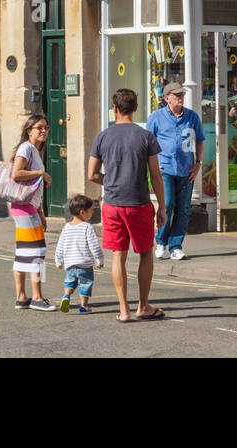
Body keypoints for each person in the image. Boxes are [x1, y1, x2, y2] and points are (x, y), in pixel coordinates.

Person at [87, 88, 167, 322]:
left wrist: (110, 181)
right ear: (135, 108)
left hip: (112, 204)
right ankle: (143, 305)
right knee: (145, 254)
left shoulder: (102, 136)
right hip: (139, 203)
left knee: (117, 256)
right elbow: (156, 175)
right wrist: (162, 206)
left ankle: (124, 311)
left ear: (114, 109)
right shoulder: (145, 136)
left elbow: (92, 174)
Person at [145, 81, 204, 261]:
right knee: (168, 204)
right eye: (176, 95)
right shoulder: (156, 117)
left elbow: (200, 140)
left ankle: (176, 246)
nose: (180, 98)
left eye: (182, 95)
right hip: (165, 168)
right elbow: (148, 142)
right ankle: (161, 241)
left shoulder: (192, 117)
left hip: (186, 170)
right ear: (166, 98)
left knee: (183, 208)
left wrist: (198, 163)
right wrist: (153, 164)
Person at [9, 113, 53, 311]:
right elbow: (16, 174)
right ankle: (37, 298)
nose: (44, 131)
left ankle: (21, 297)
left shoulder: (34, 150)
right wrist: (41, 173)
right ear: (29, 131)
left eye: (46, 127)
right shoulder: (26, 148)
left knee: (23, 253)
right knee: (37, 252)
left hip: (27, 207)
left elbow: (34, 188)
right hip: (23, 208)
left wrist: (41, 212)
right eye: (39, 128)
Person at [55, 193, 104, 313]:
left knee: (70, 283)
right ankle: (84, 307)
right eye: (91, 211)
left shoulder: (66, 227)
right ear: (82, 212)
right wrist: (99, 259)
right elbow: (94, 246)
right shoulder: (87, 227)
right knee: (85, 285)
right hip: (85, 265)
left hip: (70, 264)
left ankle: (66, 296)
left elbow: (60, 245)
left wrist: (58, 260)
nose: (92, 214)